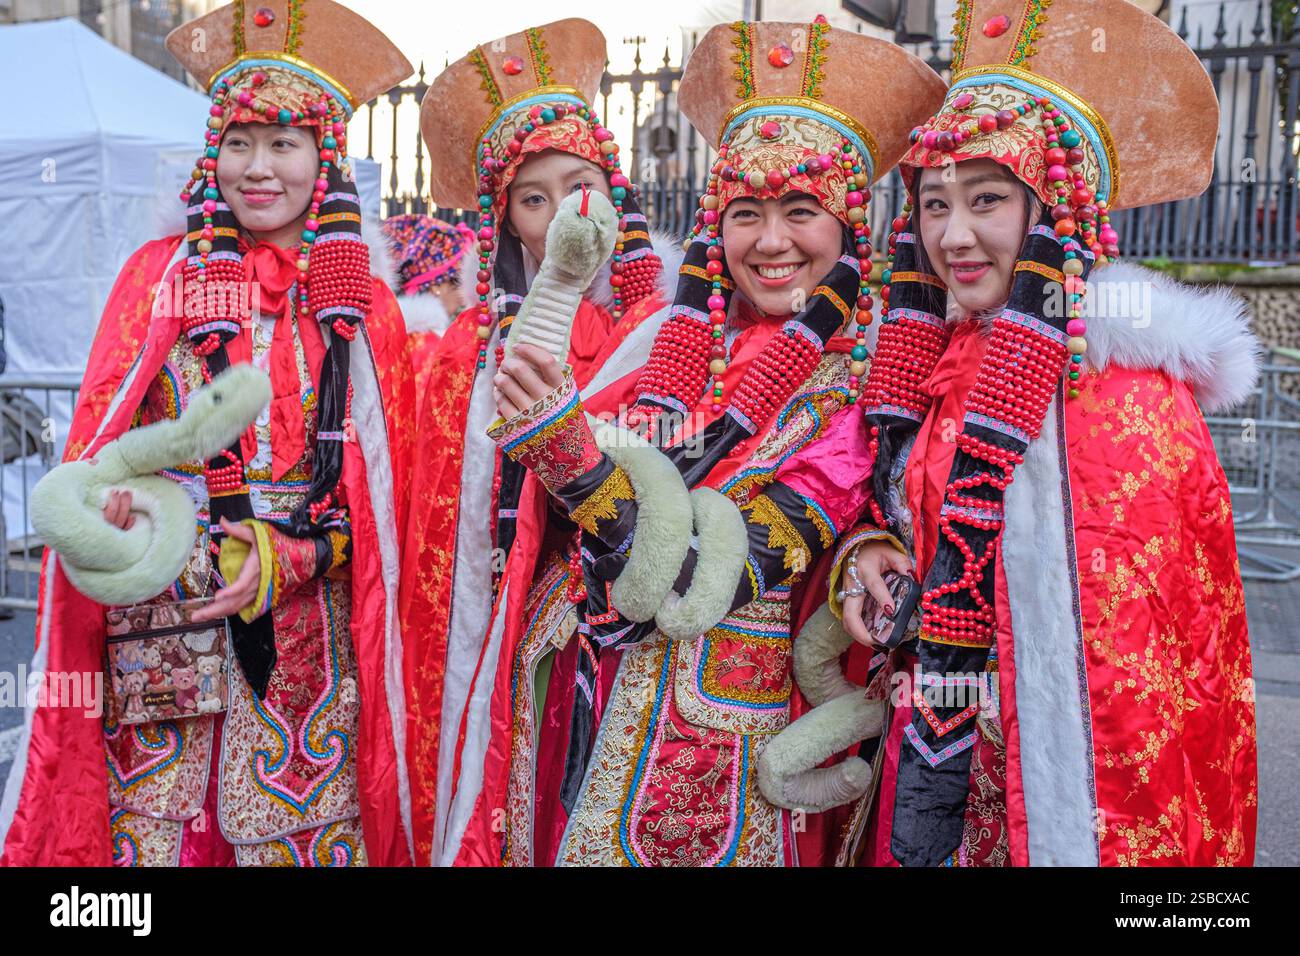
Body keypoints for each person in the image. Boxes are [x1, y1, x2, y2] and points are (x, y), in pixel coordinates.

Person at [468, 17, 945, 866]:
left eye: (800, 211)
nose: (769, 242)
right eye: (746, 213)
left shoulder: (863, 382)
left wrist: (575, 463)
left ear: (849, 228)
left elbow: (701, 581)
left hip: (717, 724)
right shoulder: (665, 339)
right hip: (578, 685)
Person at [826, 0, 1258, 866]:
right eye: (935, 203)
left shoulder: (1125, 398)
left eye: (986, 200)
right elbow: (918, 523)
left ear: (1055, 209)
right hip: (932, 756)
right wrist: (868, 555)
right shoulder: (942, 359)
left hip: (1049, 797)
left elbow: (1142, 680)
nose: (954, 236)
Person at [0, 0, 416, 866]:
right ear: (211, 155)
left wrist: (296, 555)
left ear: (324, 158)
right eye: (239, 143)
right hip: (165, 634)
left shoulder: (362, 307)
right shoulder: (157, 277)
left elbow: (391, 497)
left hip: (309, 650)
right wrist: (113, 505)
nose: (257, 169)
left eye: (284, 143)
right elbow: (103, 435)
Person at [400, 18, 681, 867]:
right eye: (535, 197)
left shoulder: (660, 333)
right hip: (489, 624)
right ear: (509, 222)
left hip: (600, 637)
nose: (565, 215)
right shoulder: (462, 352)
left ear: (615, 196)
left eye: (582, 186)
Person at [380, 214, 474, 394]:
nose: (463, 297)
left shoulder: (392, 336)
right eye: (458, 285)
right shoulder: (432, 347)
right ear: (439, 285)